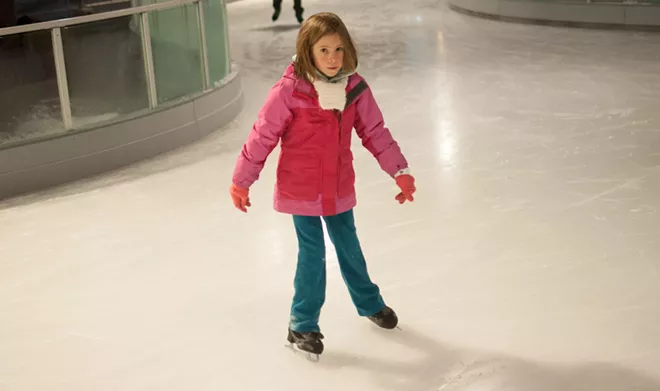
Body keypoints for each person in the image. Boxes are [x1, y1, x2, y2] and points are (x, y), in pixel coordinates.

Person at [230, 12, 416, 357]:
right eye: (324, 50)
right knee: (312, 255)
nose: (333, 58)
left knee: (349, 247)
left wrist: (399, 170)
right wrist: (242, 181)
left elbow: (375, 132)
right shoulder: (290, 91)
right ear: (307, 52)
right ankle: (302, 323)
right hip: (300, 188)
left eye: (339, 49)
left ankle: (369, 303)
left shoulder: (355, 88)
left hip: (338, 186)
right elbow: (262, 136)